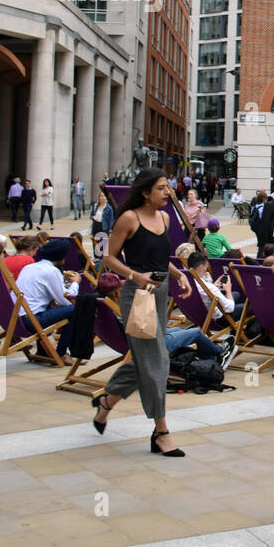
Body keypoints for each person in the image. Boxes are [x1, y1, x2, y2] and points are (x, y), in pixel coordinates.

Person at [89, 168, 195, 456]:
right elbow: (109, 258)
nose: (168, 193)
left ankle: (106, 402)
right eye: (161, 188)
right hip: (137, 295)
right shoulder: (129, 218)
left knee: (145, 360)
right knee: (157, 360)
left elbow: (160, 258)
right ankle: (161, 432)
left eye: (169, 187)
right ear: (146, 192)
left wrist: (178, 274)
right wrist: (135, 276)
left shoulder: (164, 217)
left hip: (159, 293)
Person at [18, 239, 79, 359]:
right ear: (61, 258)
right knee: (76, 308)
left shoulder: (29, 267)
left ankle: (42, 350)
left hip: (15, 320)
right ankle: (62, 353)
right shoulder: (51, 270)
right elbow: (66, 300)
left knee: (48, 307)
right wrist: (76, 283)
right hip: (30, 321)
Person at [90, 189, 115, 258]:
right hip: (96, 226)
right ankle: (97, 260)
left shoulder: (109, 208)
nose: (102, 197)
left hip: (104, 227)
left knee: (103, 246)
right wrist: (93, 217)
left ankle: (103, 261)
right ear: (99, 198)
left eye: (104, 196)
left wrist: (110, 231)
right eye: (101, 196)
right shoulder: (95, 206)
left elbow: (111, 220)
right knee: (95, 244)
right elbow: (91, 216)